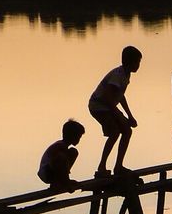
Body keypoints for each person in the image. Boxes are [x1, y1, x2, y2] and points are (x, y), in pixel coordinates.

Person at [89, 45, 141, 175]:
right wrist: (119, 115)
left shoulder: (125, 75)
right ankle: (102, 167)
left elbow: (120, 96)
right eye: (137, 62)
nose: (139, 65)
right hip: (99, 106)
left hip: (107, 107)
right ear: (130, 62)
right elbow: (107, 97)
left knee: (127, 131)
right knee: (115, 132)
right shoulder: (117, 75)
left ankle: (118, 166)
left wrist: (129, 115)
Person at [37, 119, 85, 188]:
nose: (79, 139)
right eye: (78, 137)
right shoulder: (60, 146)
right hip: (46, 173)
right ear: (72, 136)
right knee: (62, 157)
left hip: (51, 171)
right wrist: (67, 182)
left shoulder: (64, 147)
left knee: (73, 152)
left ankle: (61, 181)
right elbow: (59, 163)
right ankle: (59, 182)